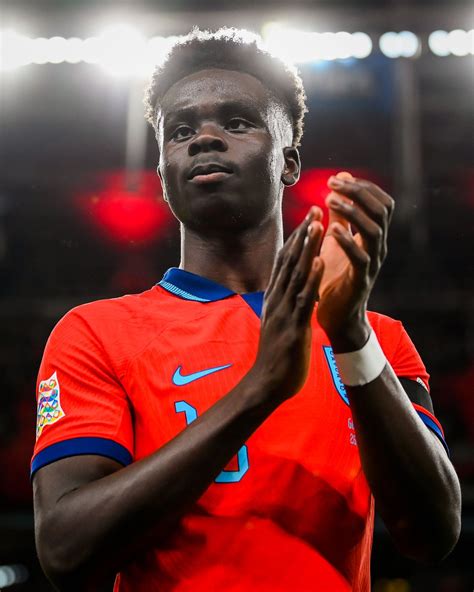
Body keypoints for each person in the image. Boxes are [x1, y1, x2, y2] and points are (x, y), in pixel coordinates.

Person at [31, 27, 461, 592]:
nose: (204, 139)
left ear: (289, 162)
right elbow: (64, 550)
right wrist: (260, 389)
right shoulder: (94, 332)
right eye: (180, 131)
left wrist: (351, 337)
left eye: (236, 122)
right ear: (162, 173)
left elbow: (432, 532)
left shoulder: (376, 339)